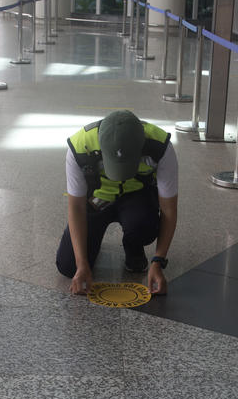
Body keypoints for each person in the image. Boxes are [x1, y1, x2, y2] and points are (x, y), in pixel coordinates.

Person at [56, 110, 178, 296]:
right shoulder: (80, 147)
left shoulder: (160, 147)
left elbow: (168, 209)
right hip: (96, 200)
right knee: (68, 266)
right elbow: (76, 207)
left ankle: (133, 247)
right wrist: (82, 264)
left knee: (143, 227)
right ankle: (89, 248)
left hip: (137, 197)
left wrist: (158, 262)